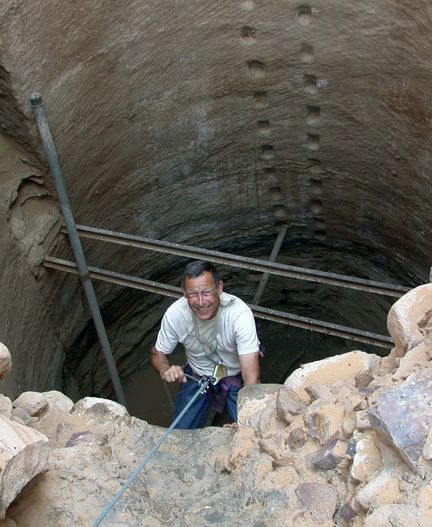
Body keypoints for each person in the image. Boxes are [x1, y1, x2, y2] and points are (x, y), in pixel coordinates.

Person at [150, 260, 260, 429]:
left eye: (206, 292)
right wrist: (165, 369)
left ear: (219, 288)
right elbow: (157, 353)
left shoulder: (239, 314)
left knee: (251, 430)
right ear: (185, 293)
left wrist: (245, 419)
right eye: (193, 294)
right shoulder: (176, 314)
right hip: (197, 374)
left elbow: (251, 376)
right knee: (180, 435)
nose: (201, 302)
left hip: (234, 375)